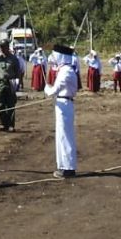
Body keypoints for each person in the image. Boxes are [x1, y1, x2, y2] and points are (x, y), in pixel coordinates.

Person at [44, 43, 79, 179]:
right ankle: (63, 165)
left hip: (64, 104)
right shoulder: (65, 69)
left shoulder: (66, 72)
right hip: (62, 104)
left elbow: (53, 91)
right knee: (61, 136)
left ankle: (68, 168)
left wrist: (47, 88)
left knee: (65, 137)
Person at [0, 41, 21, 132]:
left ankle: (10, 125)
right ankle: (2, 123)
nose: (2, 49)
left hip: (10, 82)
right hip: (0, 83)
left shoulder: (13, 59)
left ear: (7, 47)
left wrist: (17, 83)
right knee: (1, 104)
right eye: (1, 47)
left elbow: (18, 71)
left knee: (10, 104)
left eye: (4, 47)